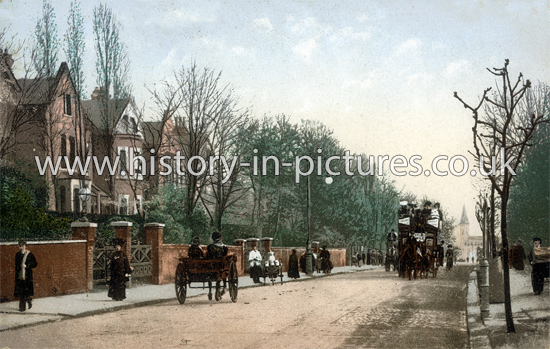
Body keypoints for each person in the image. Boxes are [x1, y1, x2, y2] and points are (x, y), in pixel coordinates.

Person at [14, 240, 38, 312]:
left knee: (26, 292)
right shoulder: (18, 254)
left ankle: (28, 299)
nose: (21, 247)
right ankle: (22, 308)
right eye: (20, 246)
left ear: (25, 246)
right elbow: (16, 265)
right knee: (21, 291)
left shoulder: (30, 255)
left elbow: (35, 264)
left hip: (27, 276)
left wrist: (27, 266)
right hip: (20, 276)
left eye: (22, 245)